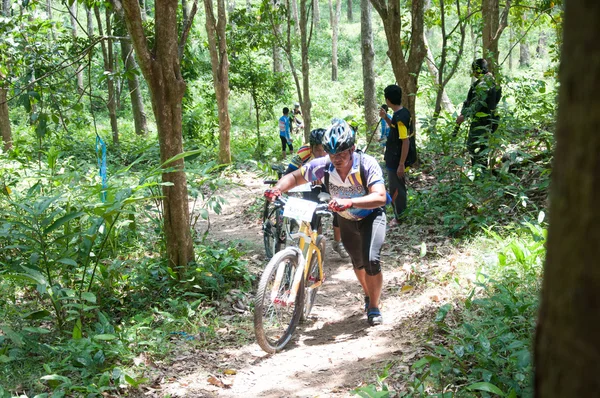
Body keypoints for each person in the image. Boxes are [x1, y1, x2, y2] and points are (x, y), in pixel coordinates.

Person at [265, 120, 388, 326]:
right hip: (346, 219)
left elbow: (380, 197)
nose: (336, 159)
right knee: (357, 262)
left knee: (371, 260)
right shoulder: (324, 166)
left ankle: (374, 307)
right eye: (331, 154)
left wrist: (349, 201)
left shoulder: (367, 164)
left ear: (352, 149)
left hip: (371, 216)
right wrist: (278, 189)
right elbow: (295, 177)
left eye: (341, 154)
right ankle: (368, 294)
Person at [285, 128, 350, 259]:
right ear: (311, 148)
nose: (321, 153)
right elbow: (290, 172)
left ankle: (338, 242)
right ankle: (315, 241)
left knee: (338, 210)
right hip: (309, 184)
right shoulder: (303, 153)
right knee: (312, 212)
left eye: (323, 150)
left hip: (329, 181)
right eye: (317, 150)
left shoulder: (334, 152)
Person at [379, 85, 416, 227]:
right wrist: (385, 118)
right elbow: (395, 128)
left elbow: (405, 141)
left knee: (396, 188)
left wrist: (401, 164)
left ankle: (399, 217)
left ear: (388, 100)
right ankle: (400, 213)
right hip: (395, 157)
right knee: (398, 186)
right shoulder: (402, 113)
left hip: (396, 159)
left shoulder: (400, 118)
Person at [455, 58, 501, 168]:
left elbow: (477, 104)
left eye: (474, 70)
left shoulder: (483, 84)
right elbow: (469, 101)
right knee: (482, 147)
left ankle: (480, 173)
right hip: (491, 120)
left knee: (473, 146)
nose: (474, 73)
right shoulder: (492, 82)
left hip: (482, 121)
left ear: (477, 70)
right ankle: (482, 174)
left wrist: (464, 116)